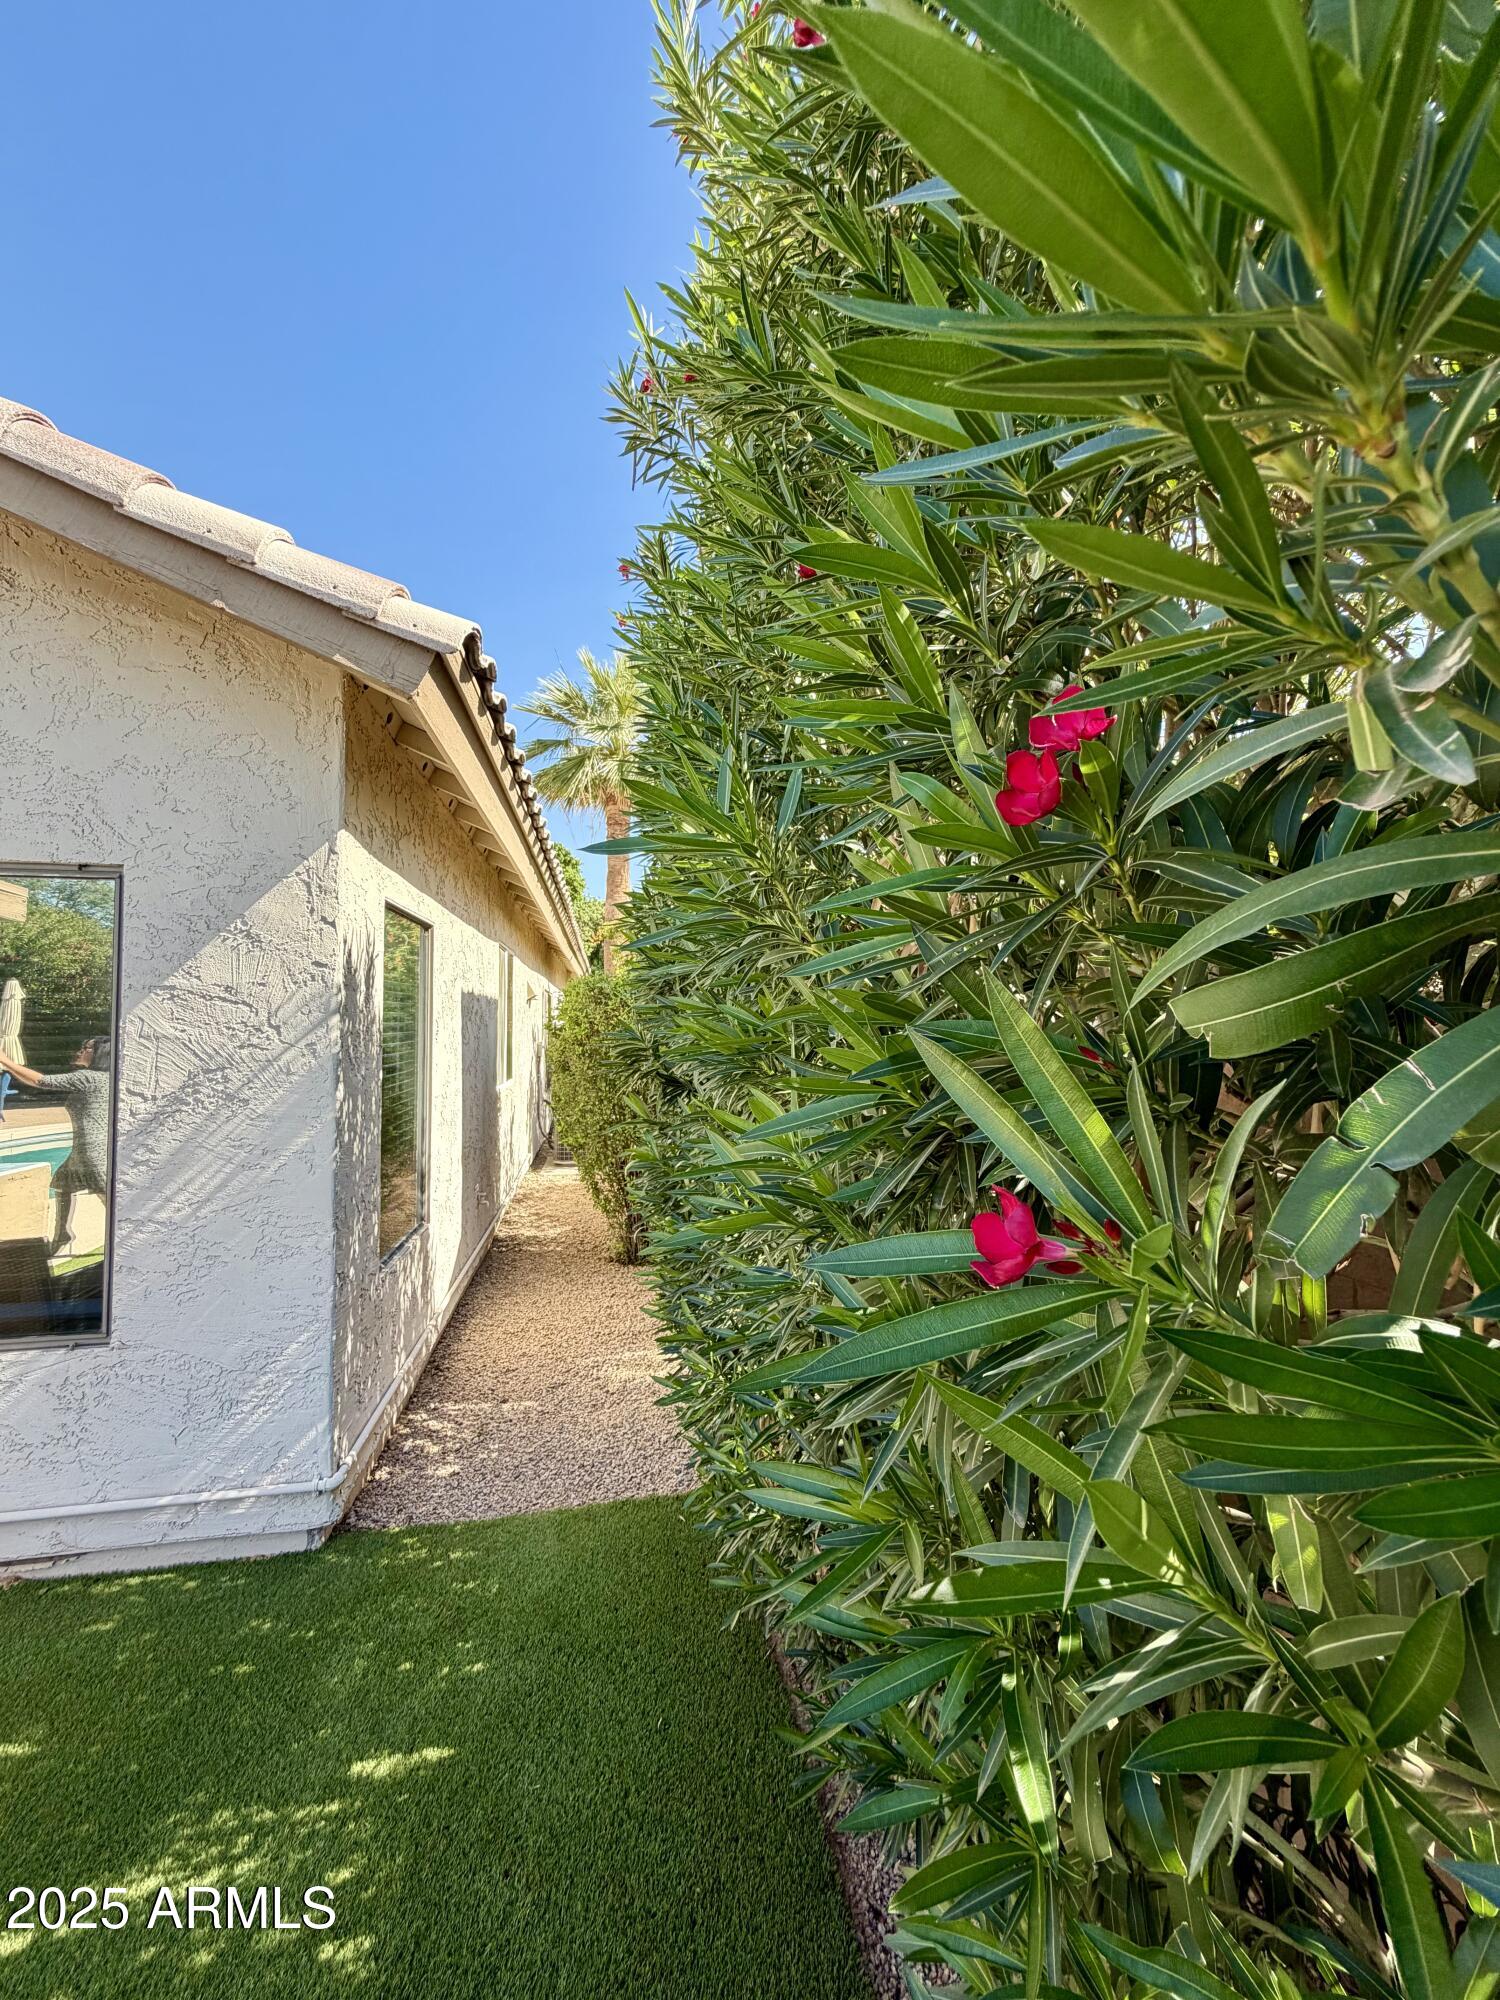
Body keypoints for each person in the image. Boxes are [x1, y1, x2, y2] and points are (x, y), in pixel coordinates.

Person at [0, 1035, 112, 1253]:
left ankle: (123, 1239)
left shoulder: (90, 1078)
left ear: (100, 1054)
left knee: (109, 1201)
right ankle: (62, 1232)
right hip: (83, 1148)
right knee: (63, 1185)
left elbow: (42, 1081)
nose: (80, 1050)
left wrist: (6, 1061)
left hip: (92, 1151)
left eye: (86, 1047)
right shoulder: (106, 1079)